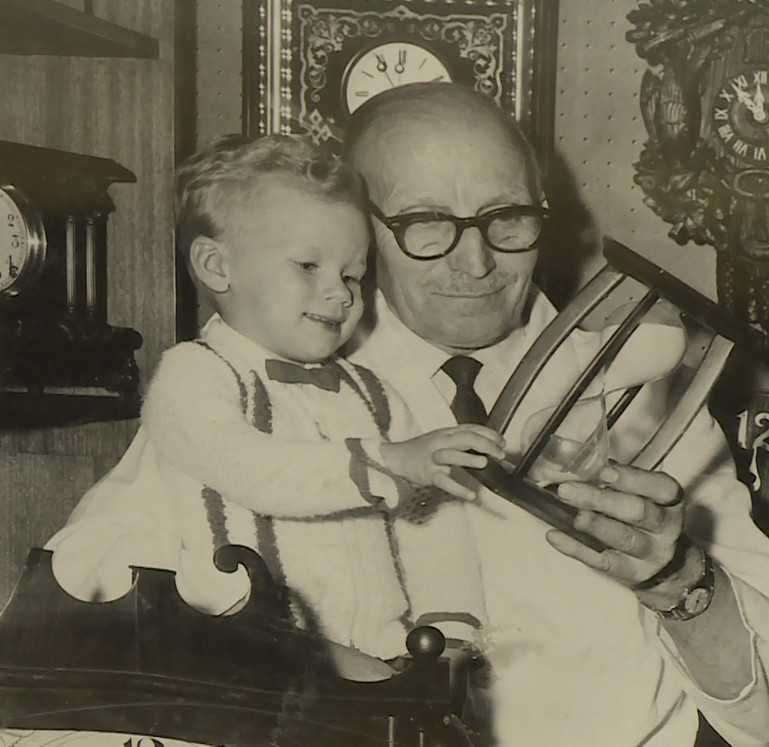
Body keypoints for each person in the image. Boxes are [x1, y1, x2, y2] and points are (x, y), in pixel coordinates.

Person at [341, 82, 769, 745]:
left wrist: (675, 578)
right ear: (358, 228)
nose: (477, 262)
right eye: (425, 222)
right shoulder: (270, 389)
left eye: (507, 217)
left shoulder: (637, 390)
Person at [44, 134, 505, 663]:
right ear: (217, 266)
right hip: (226, 653)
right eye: (308, 266)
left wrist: (450, 629)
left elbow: (432, 517)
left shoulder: (375, 398)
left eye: (352, 275)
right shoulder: (195, 373)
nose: (340, 293)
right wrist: (386, 463)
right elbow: (248, 467)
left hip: (372, 660)